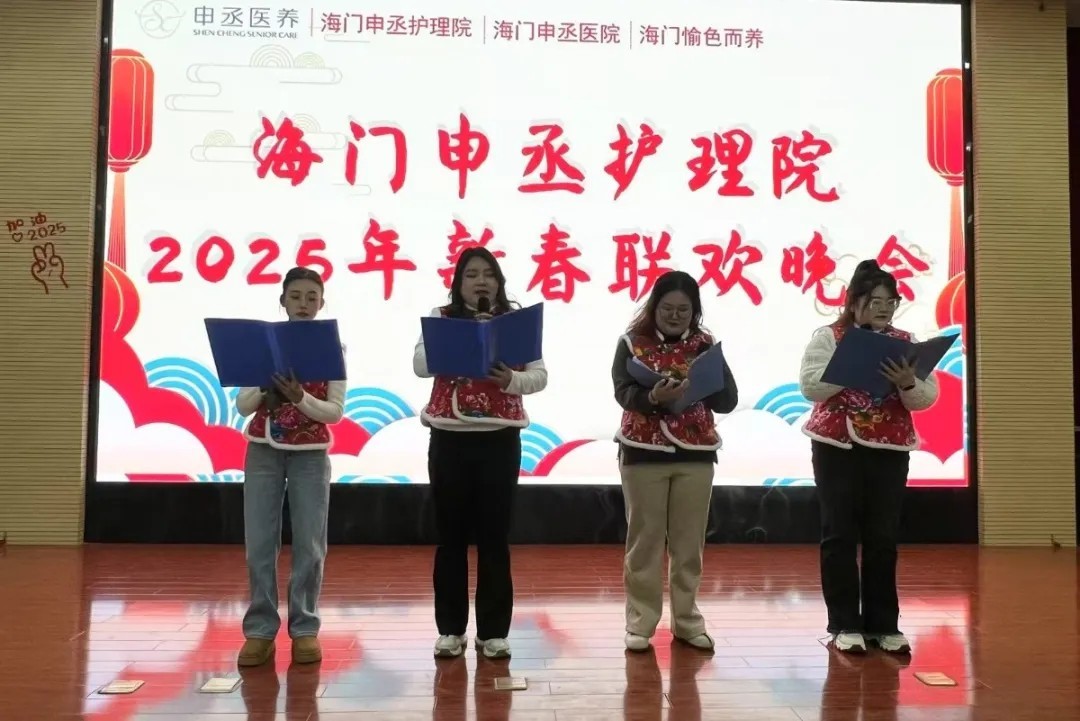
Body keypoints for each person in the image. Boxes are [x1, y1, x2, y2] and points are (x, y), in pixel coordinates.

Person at [413, 247, 548, 659]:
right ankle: (450, 629)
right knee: (450, 537)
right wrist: (452, 348)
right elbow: (419, 365)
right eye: (471, 275)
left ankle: (493, 632)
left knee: (494, 537)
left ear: (499, 282)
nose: (481, 281)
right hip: (449, 437)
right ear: (458, 283)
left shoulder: (515, 323)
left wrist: (510, 380)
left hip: (499, 439)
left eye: (488, 274)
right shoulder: (441, 317)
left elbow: (539, 376)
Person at [798, 259, 939, 654]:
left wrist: (907, 383)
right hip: (836, 445)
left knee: (882, 536)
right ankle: (844, 624)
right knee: (839, 534)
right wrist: (850, 367)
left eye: (890, 302)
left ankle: (883, 625)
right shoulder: (830, 337)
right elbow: (809, 386)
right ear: (854, 301)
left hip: (890, 448)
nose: (883, 308)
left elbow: (926, 397)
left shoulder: (906, 343)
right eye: (874, 301)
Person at [611, 270, 739, 653]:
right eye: (667, 308)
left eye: (683, 310)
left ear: (694, 312)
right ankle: (640, 623)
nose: (675, 316)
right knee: (645, 542)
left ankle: (687, 621)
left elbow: (728, 400)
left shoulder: (705, 345)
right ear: (654, 307)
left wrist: (704, 384)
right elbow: (622, 392)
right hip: (642, 452)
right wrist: (653, 398)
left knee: (688, 545)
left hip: (696, 454)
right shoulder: (631, 343)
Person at [234, 266, 345, 667]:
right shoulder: (264, 345)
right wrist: (266, 389)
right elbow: (242, 405)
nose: (303, 304)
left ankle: (305, 628)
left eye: (312, 298)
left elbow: (334, 412)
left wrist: (299, 397)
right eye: (295, 296)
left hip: (311, 452)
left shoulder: (332, 347)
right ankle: (260, 630)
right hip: (262, 449)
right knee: (260, 544)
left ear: (321, 304)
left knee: (310, 543)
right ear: (282, 301)